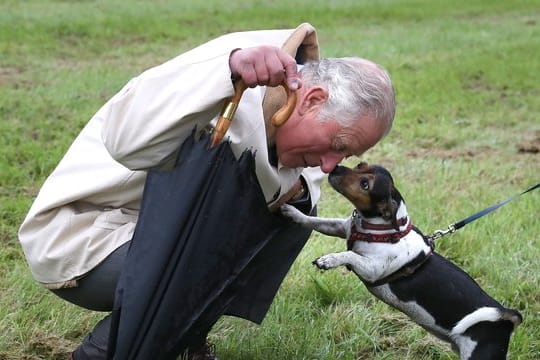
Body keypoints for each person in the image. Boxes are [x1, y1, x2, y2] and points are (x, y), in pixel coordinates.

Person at [18, 23, 395, 359]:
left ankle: (180, 341)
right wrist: (226, 72)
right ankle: (100, 353)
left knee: (291, 218)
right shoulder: (234, 65)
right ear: (312, 101)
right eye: (338, 145)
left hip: (156, 234)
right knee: (222, 245)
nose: (331, 165)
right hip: (83, 234)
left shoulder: (296, 102)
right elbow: (124, 140)